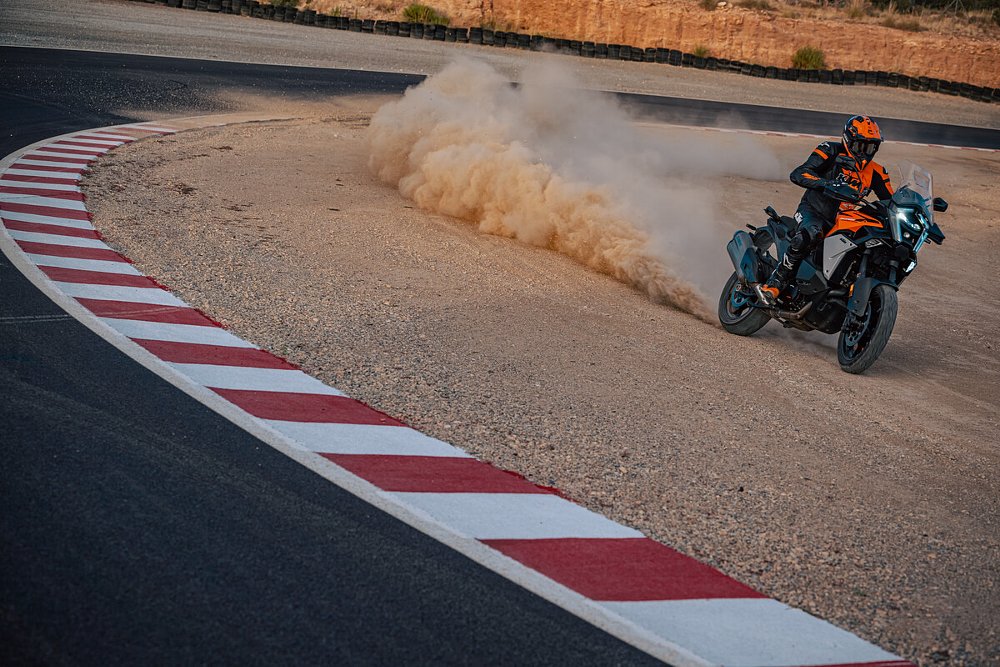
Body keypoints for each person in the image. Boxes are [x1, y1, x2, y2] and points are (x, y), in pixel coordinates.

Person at [757, 115, 894, 305]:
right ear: (848, 140)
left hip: (844, 220)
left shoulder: (877, 171)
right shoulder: (830, 150)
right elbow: (799, 173)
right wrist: (827, 184)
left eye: (870, 147)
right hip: (813, 210)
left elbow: (891, 202)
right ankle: (776, 282)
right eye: (860, 146)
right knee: (810, 234)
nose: (865, 152)